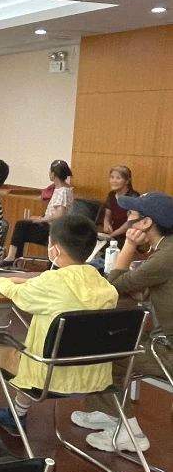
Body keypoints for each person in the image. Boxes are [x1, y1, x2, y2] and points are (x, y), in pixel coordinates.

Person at [0, 214, 119, 435]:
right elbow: (55, 286)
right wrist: (28, 280)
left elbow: (19, 294)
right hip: (93, 377)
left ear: (55, 249)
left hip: (48, 375)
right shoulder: (105, 286)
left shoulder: (50, 282)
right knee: (35, 351)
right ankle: (16, 414)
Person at [72, 192, 173, 453]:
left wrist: (128, 245)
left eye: (132, 214)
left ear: (146, 223)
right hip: (163, 341)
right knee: (110, 341)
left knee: (101, 351)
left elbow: (111, 287)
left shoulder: (164, 257)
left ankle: (129, 433)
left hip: (168, 352)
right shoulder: (166, 250)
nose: (127, 219)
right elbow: (152, 291)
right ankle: (109, 414)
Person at [4, 160, 73, 262]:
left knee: (21, 227)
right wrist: (40, 217)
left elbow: (60, 214)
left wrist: (41, 220)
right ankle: (14, 258)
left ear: (53, 174)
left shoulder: (63, 191)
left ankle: (12, 257)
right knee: (22, 226)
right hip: (50, 226)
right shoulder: (60, 189)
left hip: (53, 230)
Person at [99, 165, 139, 244]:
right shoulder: (111, 194)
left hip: (129, 236)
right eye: (112, 177)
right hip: (114, 233)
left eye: (118, 178)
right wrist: (106, 223)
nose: (114, 181)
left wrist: (111, 235)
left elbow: (130, 223)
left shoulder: (133, 197)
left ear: (127, 181)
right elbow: (107, 214)